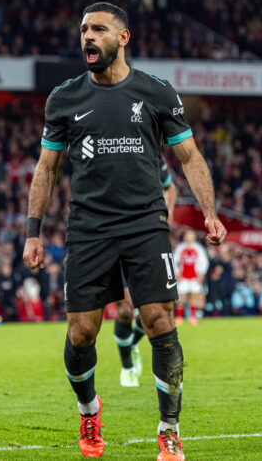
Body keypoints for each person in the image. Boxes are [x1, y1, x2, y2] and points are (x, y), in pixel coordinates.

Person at [23, 2, 226, 460]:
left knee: (158, 321)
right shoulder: (64, 98)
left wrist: (210, 213)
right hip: (89, 228)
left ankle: (169, 430)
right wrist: (33, 232)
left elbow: (190, 158)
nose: (87, 38)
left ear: (123, 37)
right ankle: (89, 410)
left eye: (98, 29)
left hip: (145, 224)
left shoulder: (156, 93)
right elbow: (47, 168)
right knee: (80, 333)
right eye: (83, 30)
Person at [114, 157, 177, 388]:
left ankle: (130, 342)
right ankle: (127, 367)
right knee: (124, 309)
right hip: (111, 237)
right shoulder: (109, 149)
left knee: (154, 310)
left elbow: (170, 187)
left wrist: (167, 212)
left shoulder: (152, 157)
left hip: (146, 238)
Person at [173, 229, 209, 326]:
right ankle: (179, 317)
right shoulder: (180, 248)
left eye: (191, 235)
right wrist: (177, 273)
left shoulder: (199, 248)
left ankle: (192, 317)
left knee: (194, 297)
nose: (189, 237)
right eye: (187, 235)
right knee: (181, 298)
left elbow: (204, 262)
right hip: (183, 277)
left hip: (194, 277)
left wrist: (201, 274)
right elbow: (174, 261)